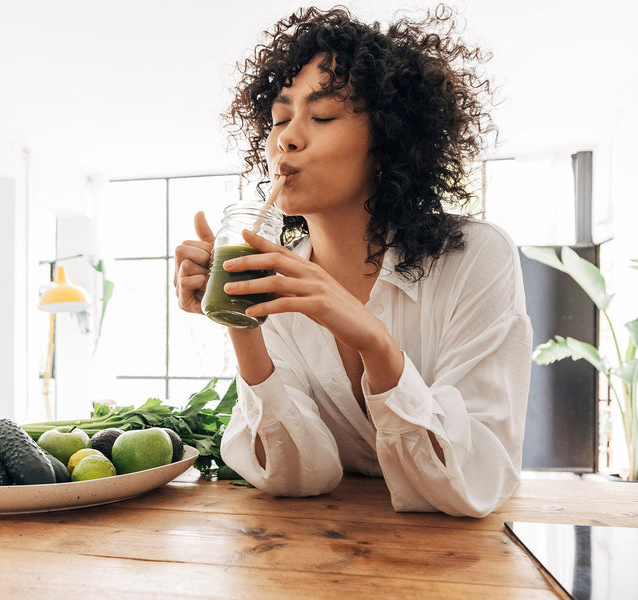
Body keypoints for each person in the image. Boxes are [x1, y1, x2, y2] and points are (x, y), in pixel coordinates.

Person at [173, 5, 533, 517]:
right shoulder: (274, 275)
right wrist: (240, 317)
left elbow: (475, 481)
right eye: (279, 118)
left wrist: (374, 341)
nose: (287, 138)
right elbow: (294, 477)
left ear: (387, 138)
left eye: (321, 116)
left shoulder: (475, 258)